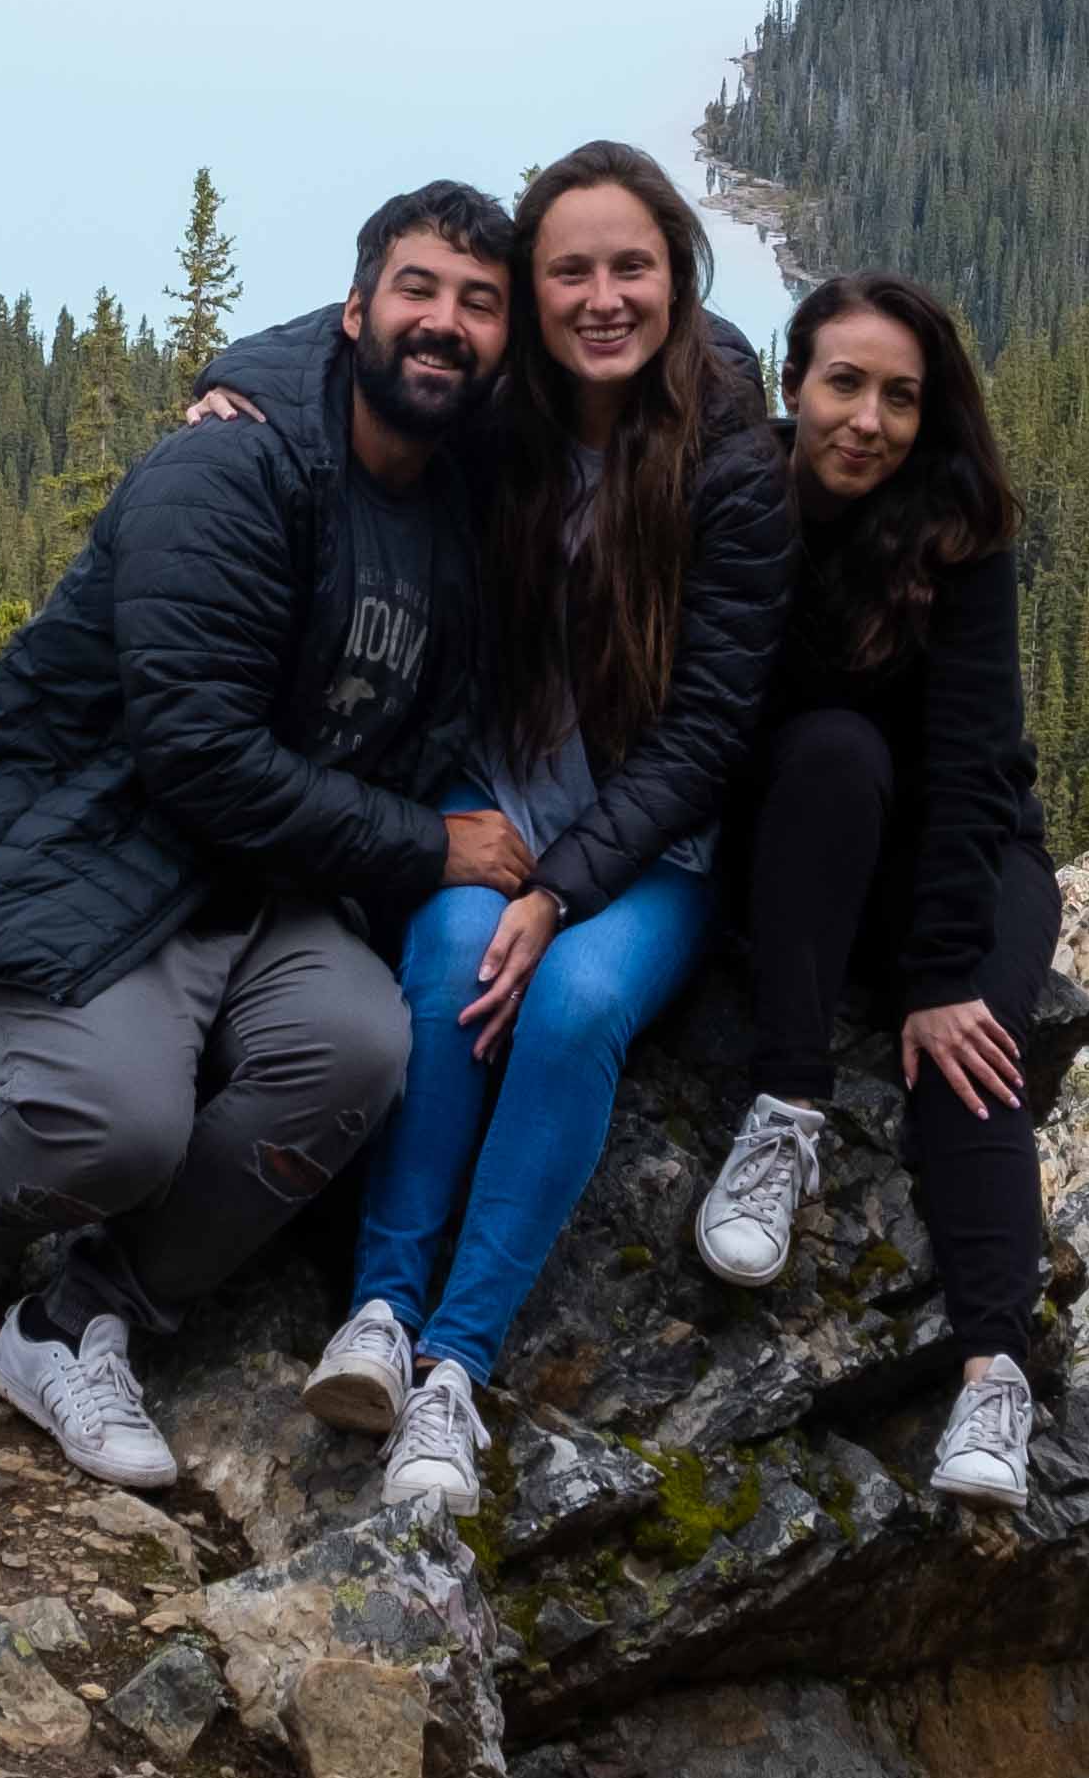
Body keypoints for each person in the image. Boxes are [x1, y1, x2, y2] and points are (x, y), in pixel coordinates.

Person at [0, 181, 528, 1490]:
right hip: (90, 863)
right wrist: (434, 849)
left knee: (363, 1053)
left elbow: (665, 374)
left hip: (265, 894)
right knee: (121, 1128)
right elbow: (199, 756)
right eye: (416, 292)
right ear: (352, 313)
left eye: (481, 305)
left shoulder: (460, 497)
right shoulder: (232, 468)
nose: (445, 326)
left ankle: (76, 1319)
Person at [219, 143, 790, 1522]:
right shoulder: (503, 413)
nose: (603, 299)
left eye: (631, 269)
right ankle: (378, 1310)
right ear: (531, 295)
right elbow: (371, 329)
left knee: (572, 1001)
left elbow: (711, 732)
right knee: (450, 964)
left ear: (678, 276)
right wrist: (230, 381)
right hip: (499, 803)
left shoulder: (729, 450)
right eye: (570, 273)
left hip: (651, 840)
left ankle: (455, 1370)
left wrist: (570, 890)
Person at [690, 270, 1068, 1514]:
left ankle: (997, 1373)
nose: (869, 419)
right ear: (794, 385)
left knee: (970, 1055)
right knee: (834, 751)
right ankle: (786, 1109)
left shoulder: (957, 527)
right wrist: (246, 387)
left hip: (962, 855)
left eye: (901, 396)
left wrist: (944, 971)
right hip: (808, 842)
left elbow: (974, 760)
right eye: (844, 383)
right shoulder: (745, 499)